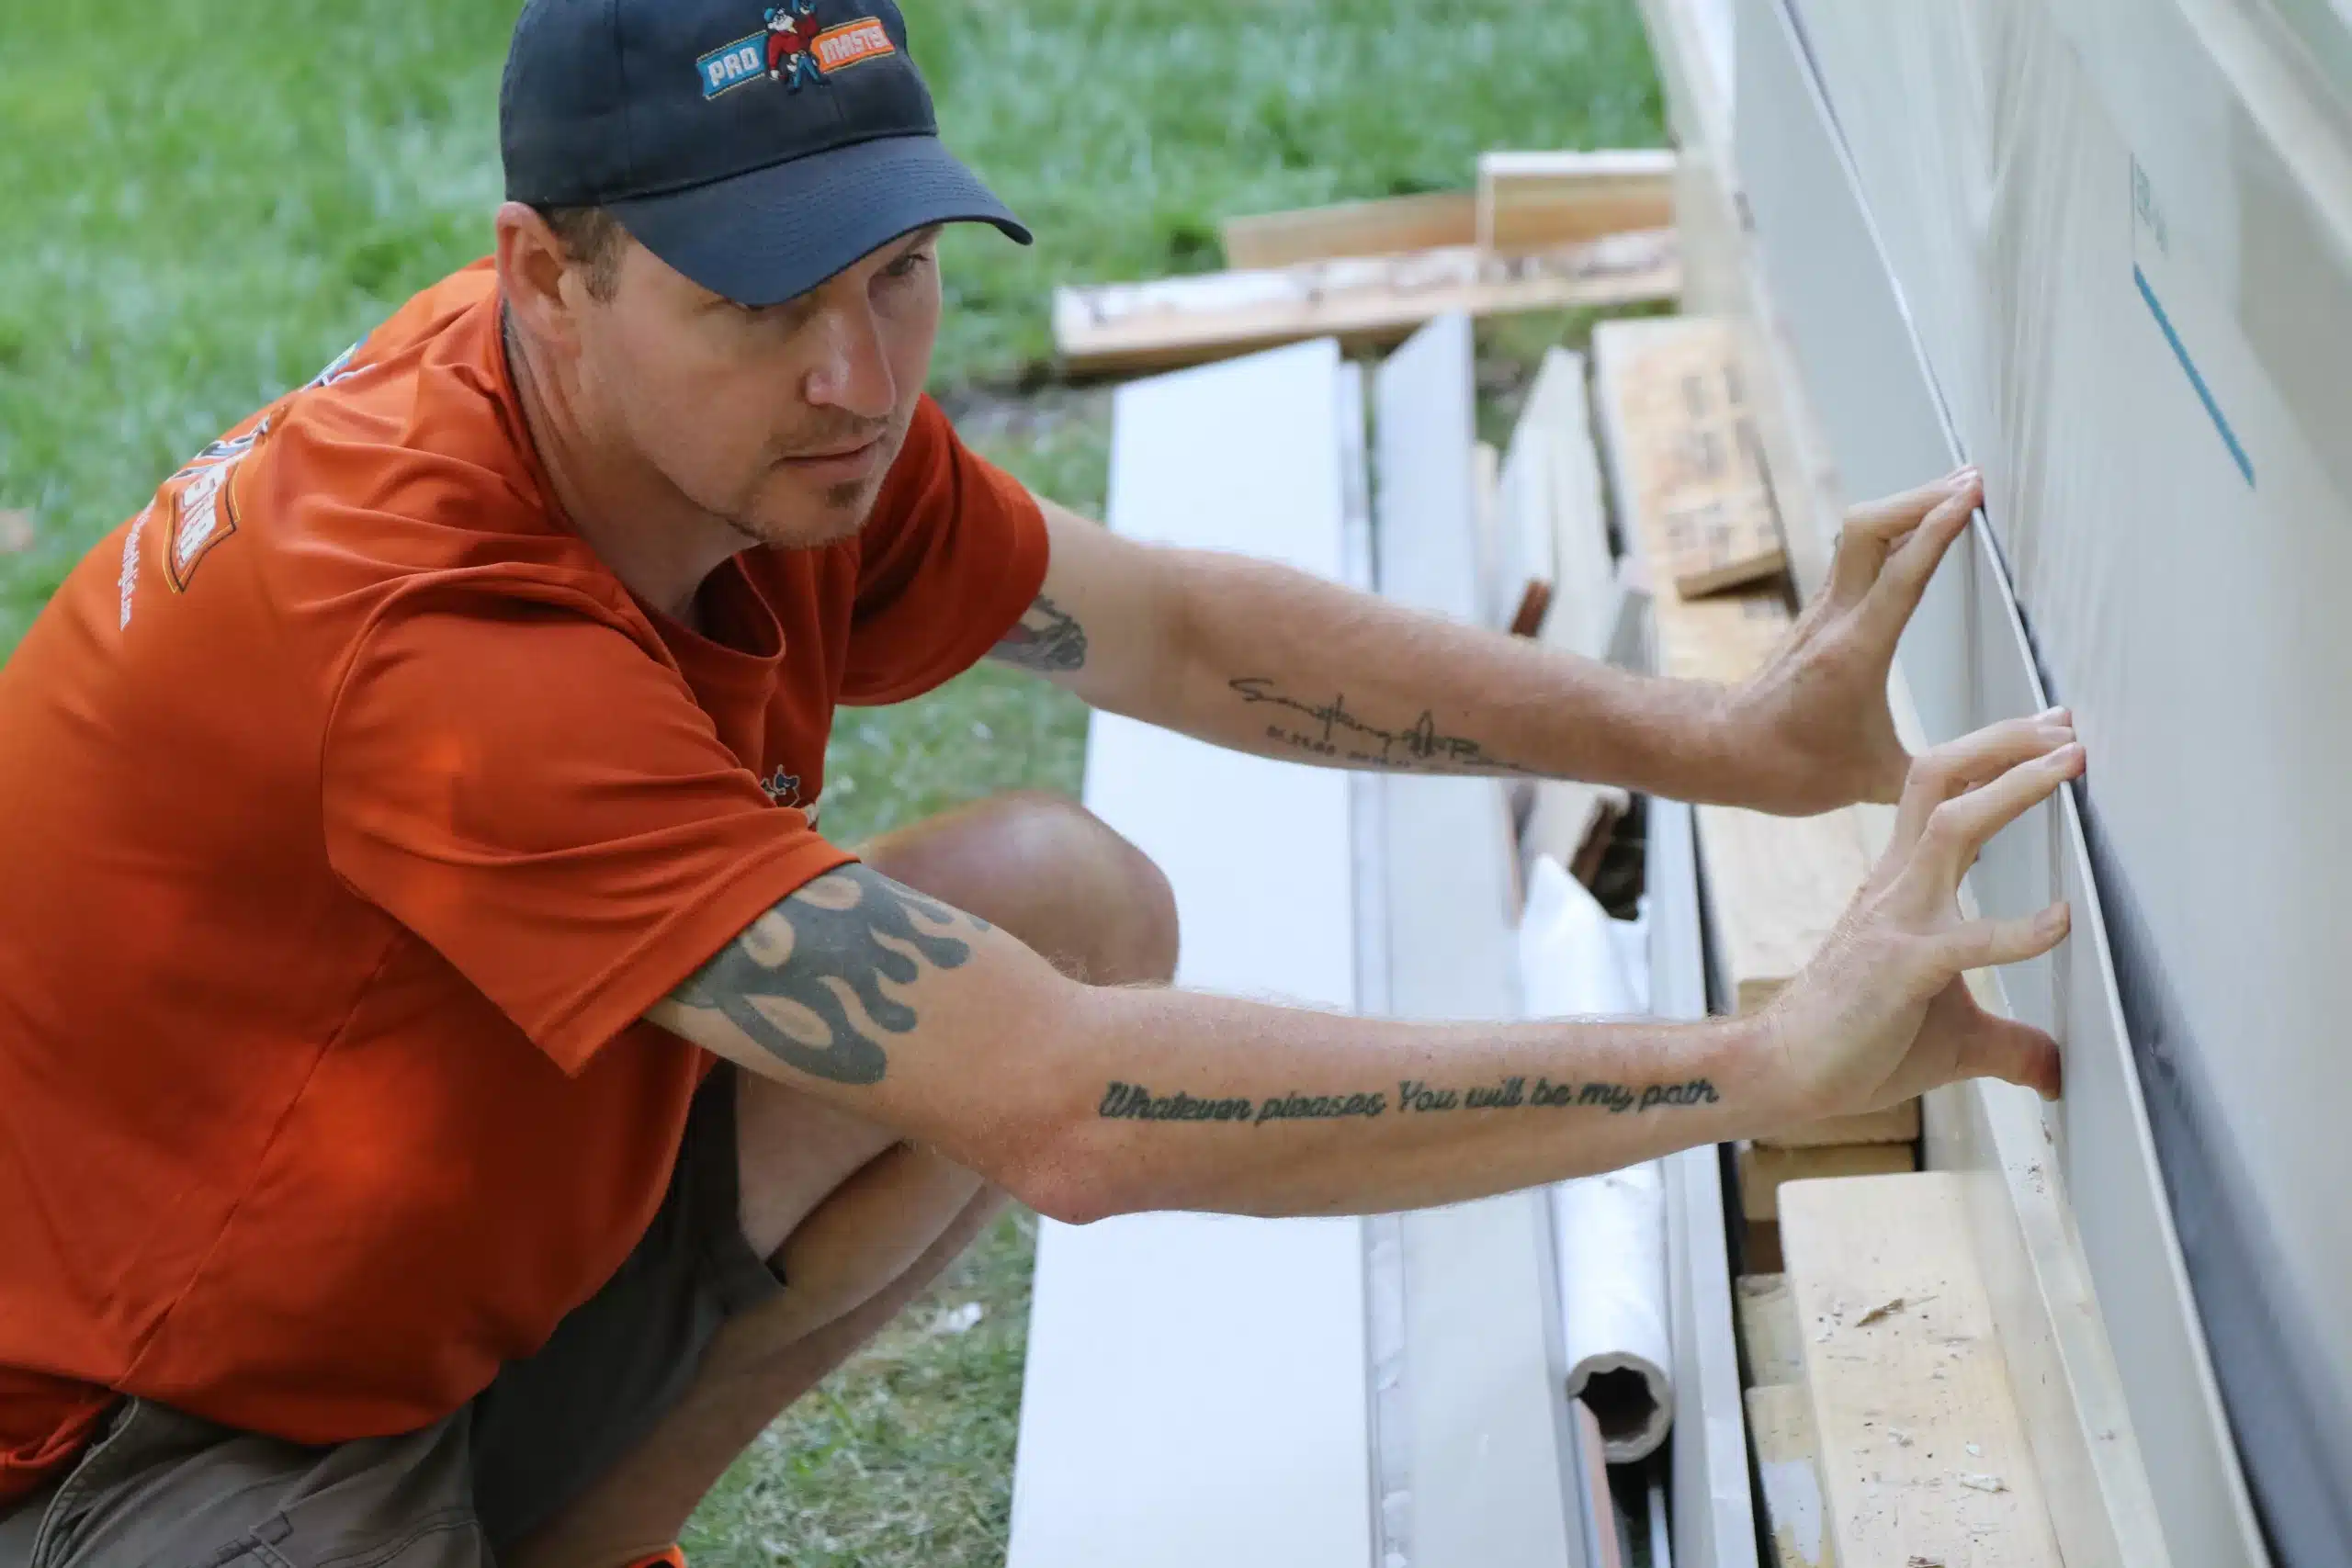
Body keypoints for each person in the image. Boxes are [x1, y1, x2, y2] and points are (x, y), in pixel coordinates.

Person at [0, 0, 2083, 1562]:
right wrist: (1763, 1058)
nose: (857, 375)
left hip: (403, 1255)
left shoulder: (751, 428)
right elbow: (1075, 1111)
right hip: (143, 1435)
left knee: (1053, 891)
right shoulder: (441, 647)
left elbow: (1177, 630)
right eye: (765, 306)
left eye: (893, 275)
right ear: (549, 276)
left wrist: (1728, 738)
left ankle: (575, 1530)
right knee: (1041, 1023)